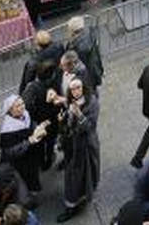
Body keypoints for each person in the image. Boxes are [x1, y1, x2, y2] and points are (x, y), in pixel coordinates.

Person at [55, 78, 100, 222]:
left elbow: (89, 127)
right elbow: (68, 125)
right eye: (72, 89)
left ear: (84, 87)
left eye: (78, 88)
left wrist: (79, 114)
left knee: (76, 176)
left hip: (84, 146)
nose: (75, 91)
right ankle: (77, 199)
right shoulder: (70, 101)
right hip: (72, 145)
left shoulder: (92, 102)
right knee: (74, 175)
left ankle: (71, 207)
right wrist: (62, 120)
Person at [0, 96, 46, 195]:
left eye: (22, 103)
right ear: (10, 110)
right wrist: (29, 141)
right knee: (23, 183)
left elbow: (31, 125)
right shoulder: (7, 130)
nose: (22, 107)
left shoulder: (25, 114)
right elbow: (10, 152)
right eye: (18, 106)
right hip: (19, 163)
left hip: (31, 156)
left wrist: (38, 128)